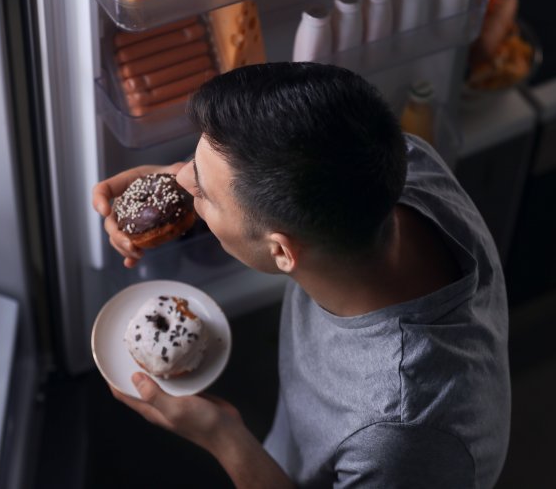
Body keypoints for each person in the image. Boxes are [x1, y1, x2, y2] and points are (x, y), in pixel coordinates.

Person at [92, 62, 510, 488]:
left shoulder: (400, 430)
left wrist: (225, 437)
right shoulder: (397, 162)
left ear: (281, 251)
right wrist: (187, 184)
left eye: (202, 190)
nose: (179, 178)